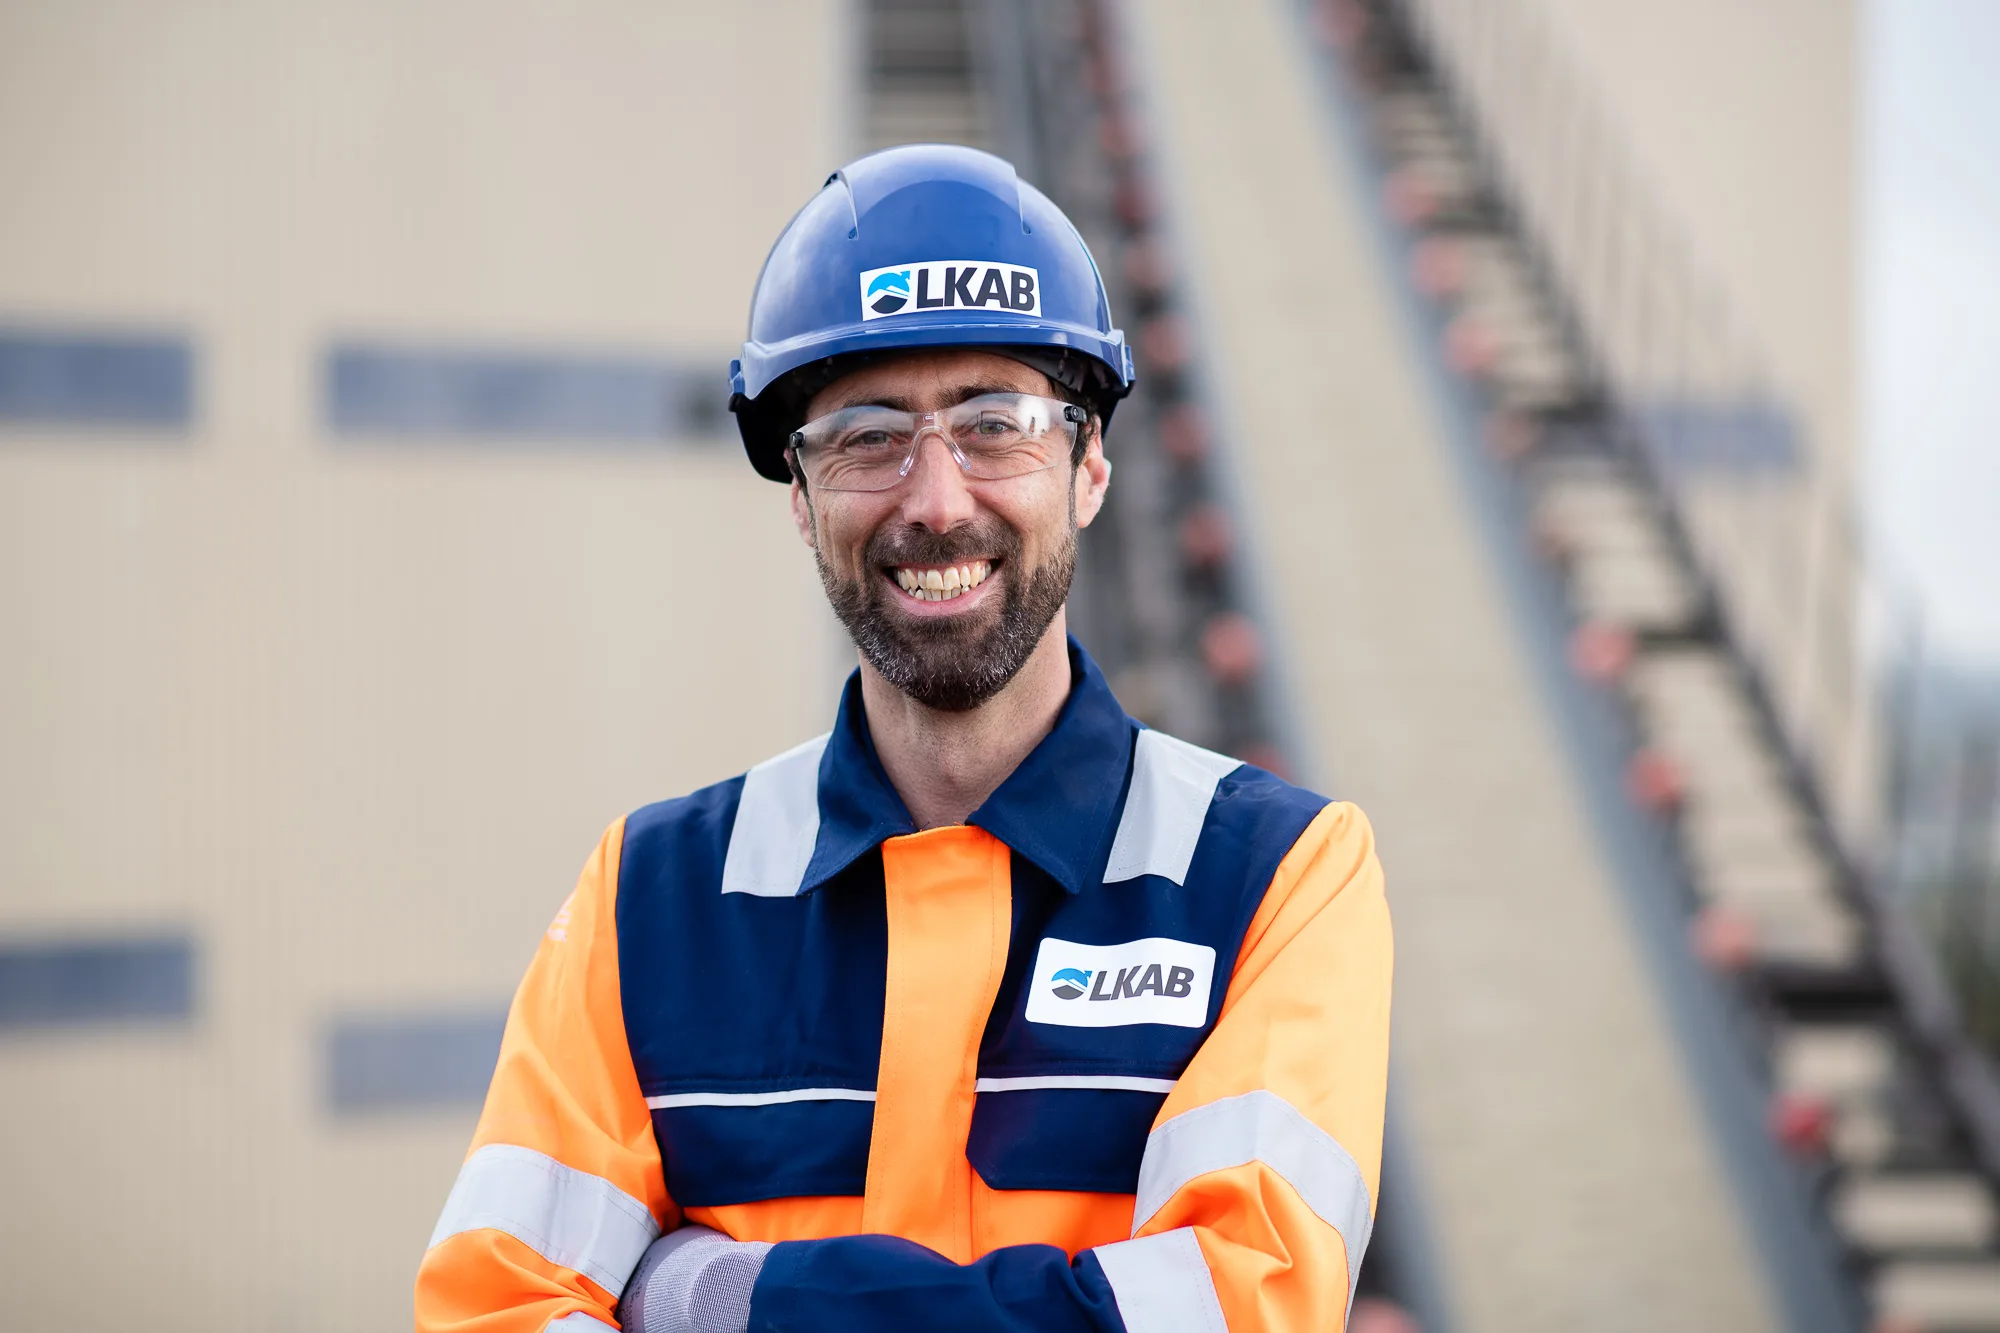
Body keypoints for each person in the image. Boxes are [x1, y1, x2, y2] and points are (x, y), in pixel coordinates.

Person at [414, 142, 1391, 1333]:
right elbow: (495, 1309)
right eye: (868, 435)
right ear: (799, 497)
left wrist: (721, 1294)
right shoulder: (646, 898)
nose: (935, 501)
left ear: (1088, 466)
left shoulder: (1275, 879)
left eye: (995, 423)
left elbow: (1240, 1307)